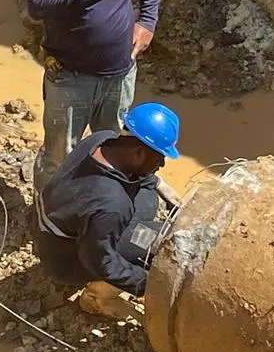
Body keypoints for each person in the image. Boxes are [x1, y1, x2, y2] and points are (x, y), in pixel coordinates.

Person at [26, 0, 163, 191]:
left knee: (116, 153)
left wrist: (148, 21)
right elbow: (36, 6)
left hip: (119, 75)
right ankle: (50, 221)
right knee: (60, 158)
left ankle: (98, 211)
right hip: (71, 78)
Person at [32, 101, 182, 318]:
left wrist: (161, 186)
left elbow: (142, 179)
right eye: (159, 158)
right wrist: (146, 283)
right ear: (138, 152)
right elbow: (101, 262)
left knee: (148, 197)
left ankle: (116, 238)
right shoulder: (112, 204)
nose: (162, 165)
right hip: (65, 259)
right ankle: (96, 297)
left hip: (55, 226)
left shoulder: (101, 139)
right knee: (157, 243)